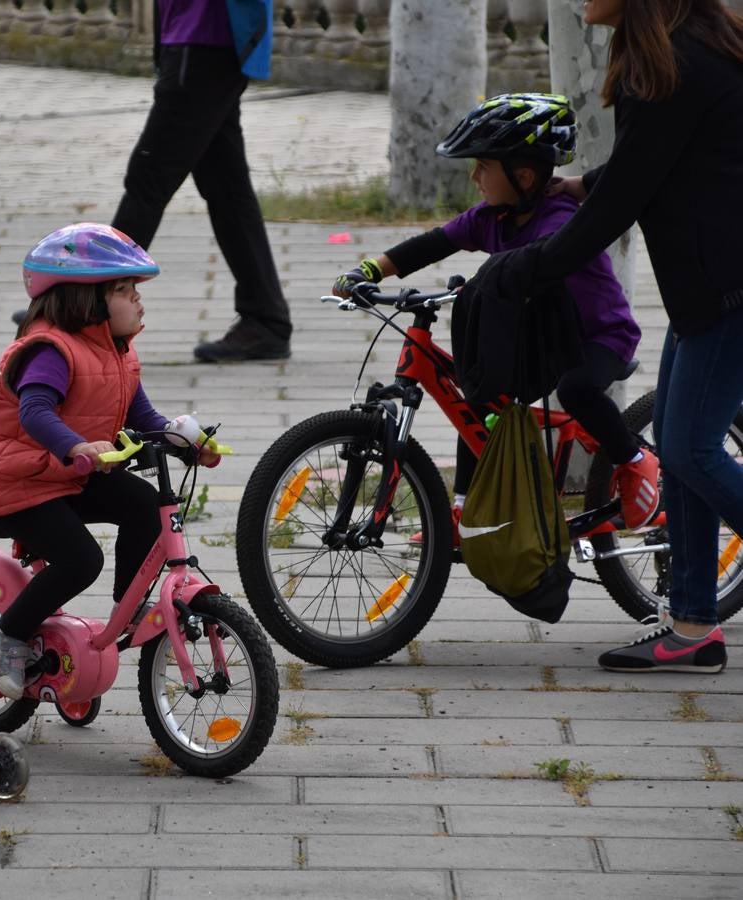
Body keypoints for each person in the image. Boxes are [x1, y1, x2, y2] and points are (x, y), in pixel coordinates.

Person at [506, 0, 743, 673]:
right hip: (709, 293)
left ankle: (695, 620)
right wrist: (580, 184)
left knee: (694, 451)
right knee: (678, 447)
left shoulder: (675, 67)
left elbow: (625, 200)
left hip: (729, 293)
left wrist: (529, 268)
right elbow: (658, 162)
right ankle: (695, 624)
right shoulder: (681, 53)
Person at [333, 93, 660, 545]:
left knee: (577, 389)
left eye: (483, 167)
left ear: (522, 175)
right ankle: (465, 512)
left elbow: (541, 262)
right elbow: (434, 242)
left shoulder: (557, 219)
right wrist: (370, 269)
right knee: (477, 393)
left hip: (597, 336)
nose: (474, 177)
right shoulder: (492, 219)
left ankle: (632, 461)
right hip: (542, 337)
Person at [0, 223, 220, 697]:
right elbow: (35, 411)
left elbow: (142, 416)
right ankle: (5, 632)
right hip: (18, 481)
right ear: (86, 300)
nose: (138, 300)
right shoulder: (51, 350)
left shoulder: (119, 353)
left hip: (68, 476)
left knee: (145, 505)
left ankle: (129, 604)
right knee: (82, 558)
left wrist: (185, 441)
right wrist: (77, 446)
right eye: (124, 290)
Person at [111, 0, 293, 363]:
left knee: (148, 179)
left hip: (205, 38)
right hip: (198, 38)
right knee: (227, 188)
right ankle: (266, 320)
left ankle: (84, 309)